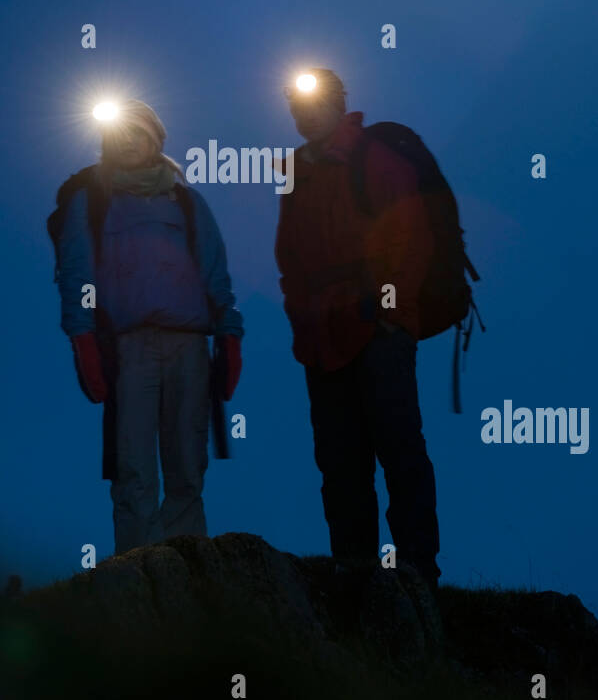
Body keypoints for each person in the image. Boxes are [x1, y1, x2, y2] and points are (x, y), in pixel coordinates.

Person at [53, 100, 243, 555]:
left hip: (190, 346)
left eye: (138, 132)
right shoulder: (92, 203)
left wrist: (229, 335)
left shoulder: (187, 202)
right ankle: (137, 580)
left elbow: (215, 274)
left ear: (156, 140)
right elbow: (78, 276)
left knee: (186, 466)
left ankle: (189, 574)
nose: (128, 141)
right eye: (119, 134)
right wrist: (84, 341)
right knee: (133, 466)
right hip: (127, 348)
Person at [275, 69, 440, 589]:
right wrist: (303, 324)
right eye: (298, 103)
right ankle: (355, 572)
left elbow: (412, 239)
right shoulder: (296, 171)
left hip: (378, 329)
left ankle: (416, 574)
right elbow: (290, 260)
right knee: (340, 460)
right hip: (324, 338)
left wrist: (390, 314)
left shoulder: (376, 158)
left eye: (318, 101)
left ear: (339, 102)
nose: (306, 111)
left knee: (397, 448)